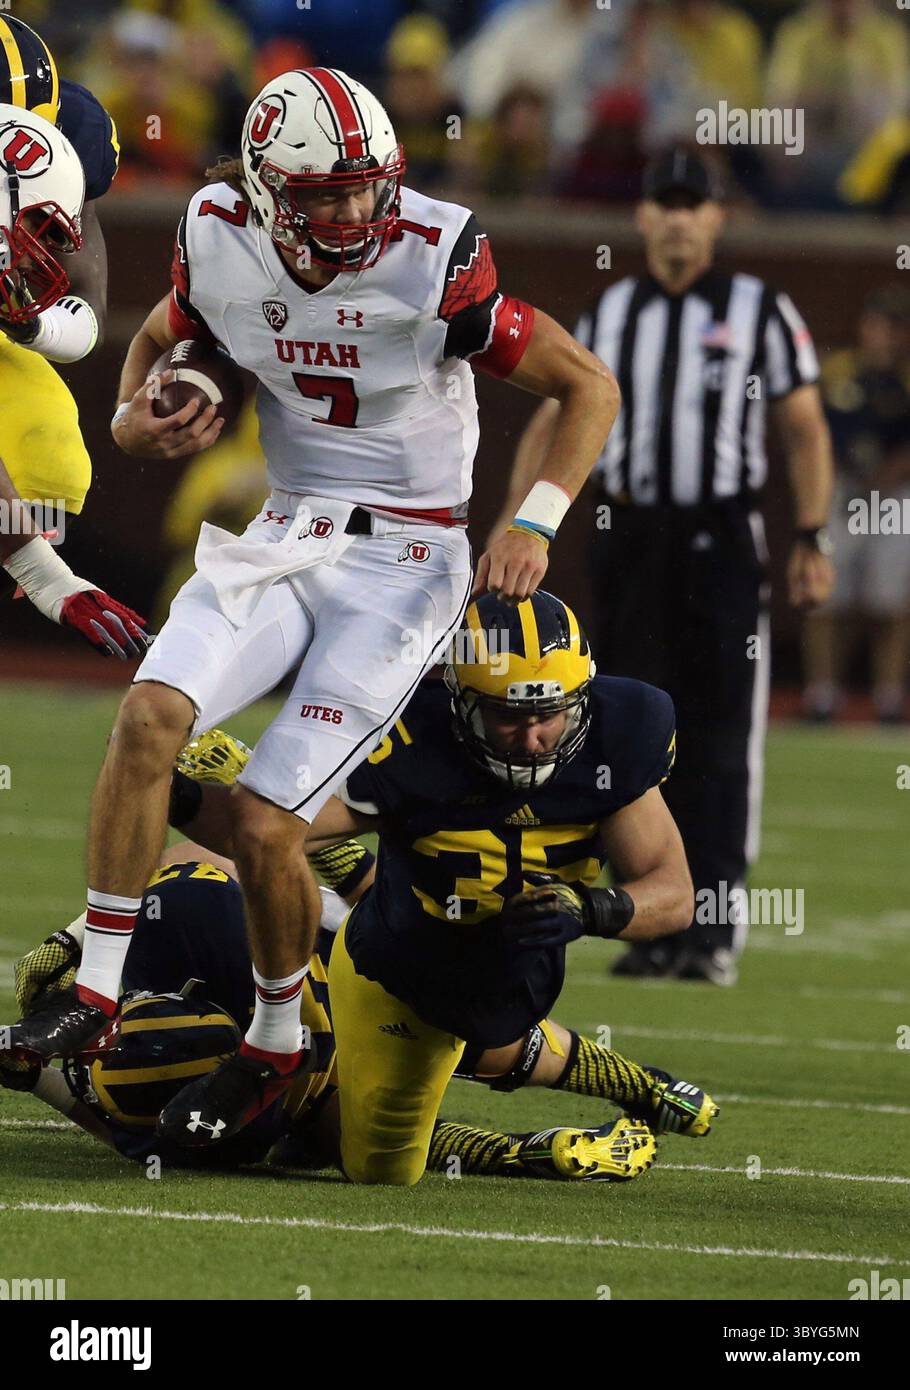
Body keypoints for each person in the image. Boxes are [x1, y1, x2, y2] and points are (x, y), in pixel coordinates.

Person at [7, 69, 620, 1145]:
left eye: (363, 191)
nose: (349, 214)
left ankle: (277, 1046)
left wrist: (532, 522)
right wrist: (134, 417)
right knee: (150, 717)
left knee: (262, 824)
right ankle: (95, 992)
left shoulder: (436, 253)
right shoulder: (217, 230)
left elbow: (587, 384)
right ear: (261, 188)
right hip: (289, 531)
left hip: (408, 559)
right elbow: (163, 340)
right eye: (324, 196)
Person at [145, 591, 705, 1181]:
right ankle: (540, 1144)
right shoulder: (410, 739)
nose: (533, 736)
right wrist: (162, 784)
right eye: (508, 716)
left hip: (508, 983)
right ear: (461, 702)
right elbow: (261, 833)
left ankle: (636, 1086)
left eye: (550, 714)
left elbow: (673, 895)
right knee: (379, 1170)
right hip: (391, 973)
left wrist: (589, 908)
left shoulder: (619, 739)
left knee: (484, 1020)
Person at [497, 149, 835, 986]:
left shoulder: (761, 307)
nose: (680, 219)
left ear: (718, 217)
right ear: (644, 218)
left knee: (723, 738)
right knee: (624, 734)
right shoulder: (611, 311)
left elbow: (803, 426)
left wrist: (814, 534)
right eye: (666, 204)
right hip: (632, 537)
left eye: (695, 205)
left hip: (720, 540)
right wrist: (516, 520)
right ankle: (647, 921)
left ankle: (712, 930)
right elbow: (553, 418)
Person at [4, 848, 669, 1185]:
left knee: (364, 1128)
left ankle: (523, 1151)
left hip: (326, 981)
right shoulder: (197, 943)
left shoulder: (188, 1130)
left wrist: (43, 1061)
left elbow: (198, 860)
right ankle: (647, 1089)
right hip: (327, 1004)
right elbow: (189, 864)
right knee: (453, 1039)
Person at [0, 17, 148, 655]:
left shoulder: (70, 139)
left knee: (48, 441)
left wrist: (33, 324)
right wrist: (47, 579)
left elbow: (85, 305)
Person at [802, 287, 910, 724]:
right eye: (876, 324)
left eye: (892, 326)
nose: (882, 335)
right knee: (826, 598)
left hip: (894, 496)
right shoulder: (837, 370)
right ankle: (823, 695)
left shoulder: (906, 379)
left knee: (890, 601)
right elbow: (811, 431)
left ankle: (888, 697)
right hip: (842, 491)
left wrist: (890, 473)